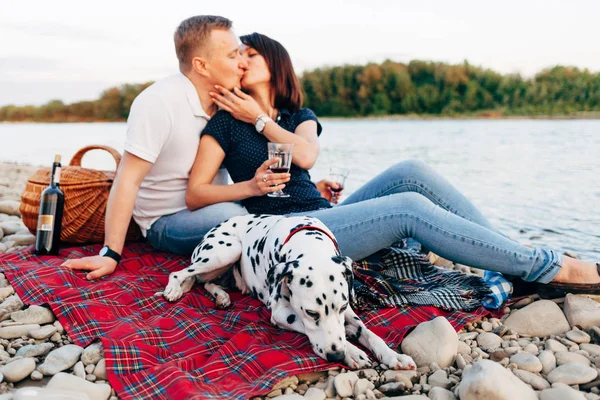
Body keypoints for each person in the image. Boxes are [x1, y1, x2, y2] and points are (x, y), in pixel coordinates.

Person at [187, 32, 600, 293]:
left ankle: (508, 259)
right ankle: (543, 267)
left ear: (275, 63)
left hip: (323, 213)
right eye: (237, 55)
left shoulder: (298, 117)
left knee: (412, 172)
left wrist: (258, 119)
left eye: (250, 54)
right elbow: (195, 194)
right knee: (409, 210)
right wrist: (250, 187)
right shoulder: (225, 123)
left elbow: (307, 155)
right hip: (291, 231)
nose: (240, 61)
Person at [61, 16, 339, 280]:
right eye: (233, 55)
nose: (241, 62)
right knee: (241, 217)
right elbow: (128, 179)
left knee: (244, 213)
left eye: (244, 55)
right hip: (167, 220)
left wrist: (309, 187)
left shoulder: (229, 106)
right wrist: (110, 253)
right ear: (202, 66)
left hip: (218, 204)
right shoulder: (159, 102)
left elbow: (288, 154)